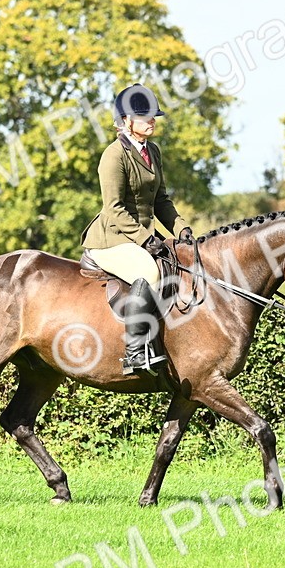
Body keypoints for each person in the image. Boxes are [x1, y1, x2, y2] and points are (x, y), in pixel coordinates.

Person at [80, 84, 193, 375]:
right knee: (151, 271)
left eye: (153, 116)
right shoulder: (114, 155)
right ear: (127, 121)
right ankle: (134, 353)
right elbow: (114, 209)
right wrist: (147, 240)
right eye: (145, 117)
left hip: (138, 237)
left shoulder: (152, 151)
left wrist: (181, 229)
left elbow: (161, 200)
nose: (152, 120)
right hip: (111, 239)